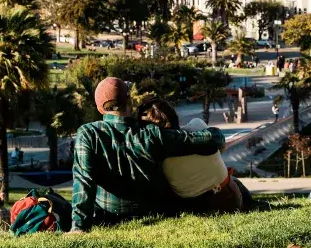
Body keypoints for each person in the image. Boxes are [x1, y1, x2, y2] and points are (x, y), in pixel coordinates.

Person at [71, 77, 227, 232]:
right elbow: (210, 139)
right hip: (152, 213)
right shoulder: (151, 134)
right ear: (129, 101)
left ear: (100, 109)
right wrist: (214, 135)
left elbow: (83, 182)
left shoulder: (88, 134)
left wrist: (78, 227)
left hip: (108, 216)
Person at [138, 98, 243, 213]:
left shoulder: (154, 154)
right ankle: (254, 203)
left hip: (195, 207)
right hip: (230, 199)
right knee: (232, 179)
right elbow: (220, 147)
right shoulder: (197, 126)